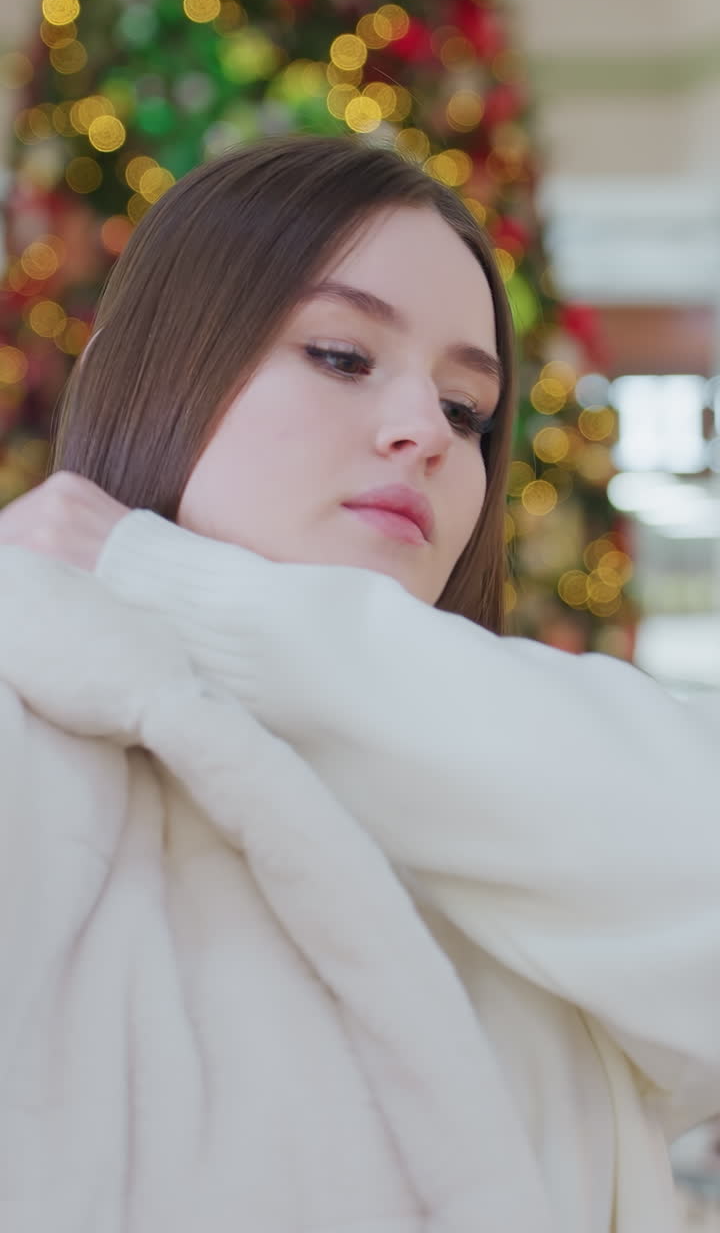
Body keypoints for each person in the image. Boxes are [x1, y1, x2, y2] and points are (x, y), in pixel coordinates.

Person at [0, 133, 718, 1233]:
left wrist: (166, 579)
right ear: (168, 364)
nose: (428, 431)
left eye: (468, 409)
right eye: (342, 354)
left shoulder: (526, 854)